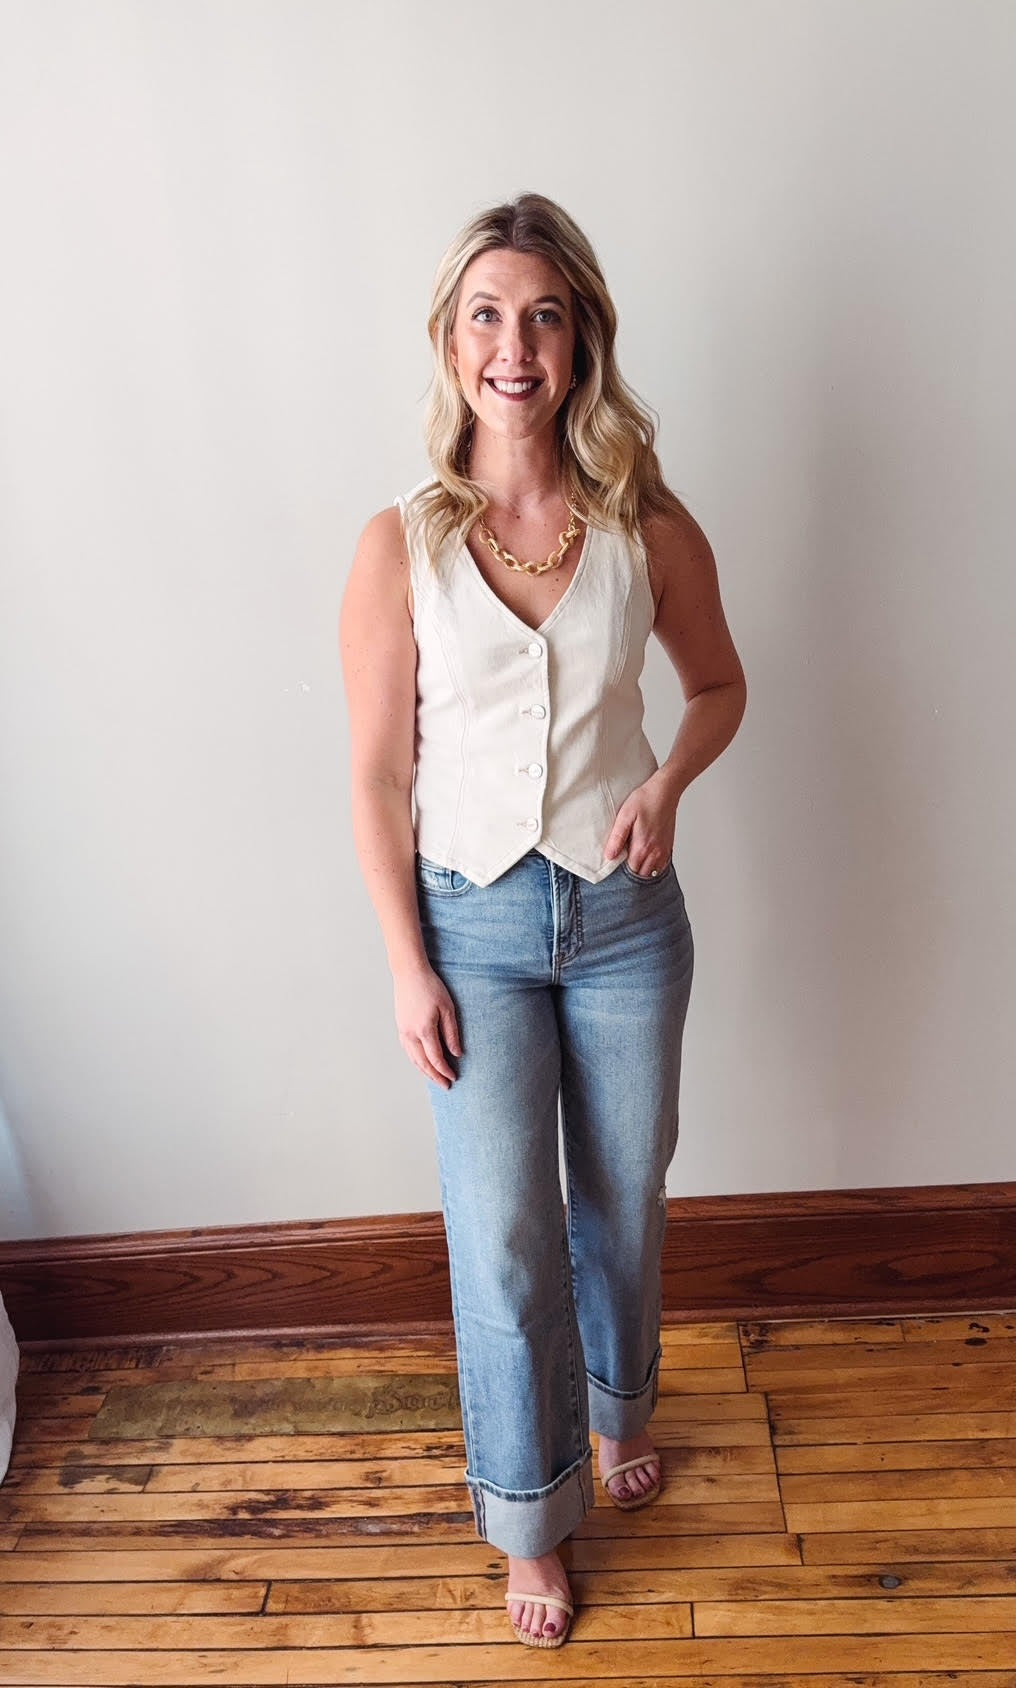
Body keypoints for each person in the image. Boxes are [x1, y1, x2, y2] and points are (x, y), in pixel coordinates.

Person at [339, 191, 746, 1649]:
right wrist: (406, 964)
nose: (517, 346)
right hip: (473, 930)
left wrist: (672, 786)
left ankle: (621, 1407)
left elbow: (720, 687)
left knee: (622, 1200)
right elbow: (380, 774)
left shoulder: (643, 519)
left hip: (629, 920)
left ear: (581, 340)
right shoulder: (399, 547)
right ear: (452, 345)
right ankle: (530, 1511)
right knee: (501, 1238)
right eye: (488, 317)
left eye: (546, 315)